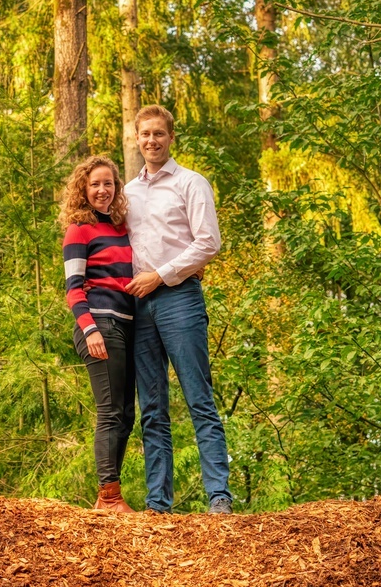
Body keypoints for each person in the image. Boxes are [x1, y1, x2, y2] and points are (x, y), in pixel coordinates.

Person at [123, 104, 232, 515]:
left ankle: (218, 497)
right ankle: (158, 504)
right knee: (151, 407)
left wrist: (161, 275)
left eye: (159, 134)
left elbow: (208, 243)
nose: (151, 140)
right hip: (138, 307)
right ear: (137, 139)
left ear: (171, 138)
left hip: (179, 298)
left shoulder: (191, 183)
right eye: (145, 134)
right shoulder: (128, 193)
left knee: (198, 398)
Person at [60, 156, 136, 513]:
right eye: (95, 184)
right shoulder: (79, 229)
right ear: (83, 189)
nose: (102, 190)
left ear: (116, 188)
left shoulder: (122, 228)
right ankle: (110, 496)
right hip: (99, 325)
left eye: (108, 184)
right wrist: (89, 328)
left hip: (127, 324)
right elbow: (73, 288)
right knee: (110, 412)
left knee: (127, 414)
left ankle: (107, 496)